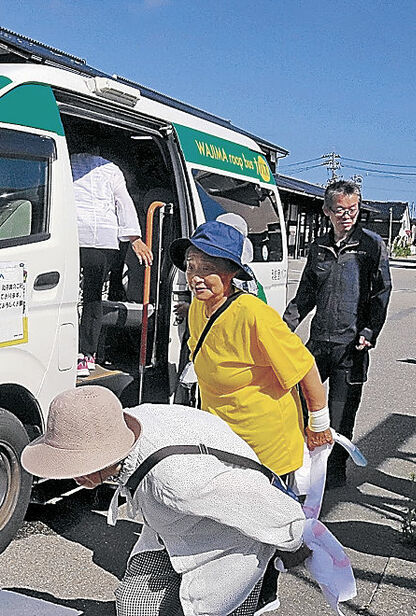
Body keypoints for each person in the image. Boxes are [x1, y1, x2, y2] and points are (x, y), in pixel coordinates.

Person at [21, 386, 309, 616]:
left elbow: (270, 507)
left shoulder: (176, 481)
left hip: (235, 539)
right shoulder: (120, 422)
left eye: (78, 465)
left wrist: (292, 541)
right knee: (136, 607)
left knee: (215, 606)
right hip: (177, 525)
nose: (73, 476)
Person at [170, 220, 332, 614]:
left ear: (231, 273)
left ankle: (264, 593)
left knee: (263, 525)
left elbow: (305, 368)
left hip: (265, 446)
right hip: (223, 438)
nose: (197, 276)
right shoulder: (197, 309)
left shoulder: (255, 315)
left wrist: (319, 423)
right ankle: (234, 590)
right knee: (230, 522)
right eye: (192, 265)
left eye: (208, 267)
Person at [283, 179, 392, 490]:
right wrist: (283, 327)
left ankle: (333, 472)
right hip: (318, 346)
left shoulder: (371, 245)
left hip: (351, 348)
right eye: (340, 210)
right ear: (327, 211)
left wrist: (370, 329)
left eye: (353, 209)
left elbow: (381, 293)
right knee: (300, 406)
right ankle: (300, 463)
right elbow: (305, 294)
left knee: (341, 415)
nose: (347, 215)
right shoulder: (318, 248)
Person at [72, 148, 153, 377]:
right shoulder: (110, 168)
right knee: (93, 297)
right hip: (103, 240)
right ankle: (86, 356)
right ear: (96, 149)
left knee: (66, 296)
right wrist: (135, 239)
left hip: (74, 234)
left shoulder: (65, 163)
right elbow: (123, 202)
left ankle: (65, 349)